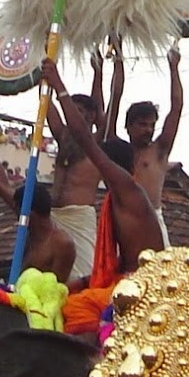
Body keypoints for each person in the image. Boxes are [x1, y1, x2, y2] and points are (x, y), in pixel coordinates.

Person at [42, 59, 165, 334]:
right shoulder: (118, 196)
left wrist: (60, 83)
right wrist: (88, 281)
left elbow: (89, 137)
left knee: (75, 310)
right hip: (126, 275)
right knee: (71, 291)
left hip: (141, 284)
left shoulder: (126, 188)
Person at [0, 114, 76, 282]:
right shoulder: (27, 221)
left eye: (18, 211)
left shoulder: (62, 244)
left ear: (31, 215)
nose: (15, 213)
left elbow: (54, 292)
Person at [107, 41, 185, 244]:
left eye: (151, 125)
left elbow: (176, 107)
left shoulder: (158, 151)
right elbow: (114, 98)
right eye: (142, 124)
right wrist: (118, 59)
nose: (148, 130)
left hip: (153, 220)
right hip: (122, 222)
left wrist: (174, 67)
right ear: (129, 126)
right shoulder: (117, 151)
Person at [45, 83, 105, 286]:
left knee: (81, 280)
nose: (71, 116)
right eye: (71, 109)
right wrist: (42, 76)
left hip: (80, 219)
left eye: (78, 112)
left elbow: (102, 112)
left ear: (90, 118)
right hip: (54, 218)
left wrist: (99, 71)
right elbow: (46, 103)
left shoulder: (95, 143)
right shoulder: (63, 137)